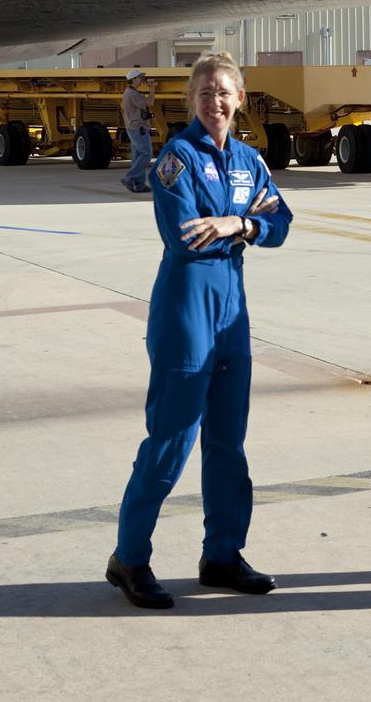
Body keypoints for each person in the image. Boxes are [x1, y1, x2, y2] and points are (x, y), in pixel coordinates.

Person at [106, 53, 293, 609]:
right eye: (205, 92)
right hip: (186, 306)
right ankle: (130, 559)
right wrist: (245, 227)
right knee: (171, 440)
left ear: (240, 98)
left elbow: (279, 223)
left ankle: (222, 555)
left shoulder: (249, 161)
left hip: (232, 311)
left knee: (228, 443)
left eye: (224, 92)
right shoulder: (176, 159)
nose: (215, 101)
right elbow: (185, 234)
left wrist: (239, 223)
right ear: (193, 100)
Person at [121, 68, 156, 193]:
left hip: (134, 127)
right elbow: (150, 102)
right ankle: (129, 178)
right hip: (138, 128)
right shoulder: (133, 94)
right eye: (140, 77)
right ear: (133, 79)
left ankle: (139, 184)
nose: (142, 80)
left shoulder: (130, 92)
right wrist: (152, 89)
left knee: (137, 156)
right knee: (147, 154)